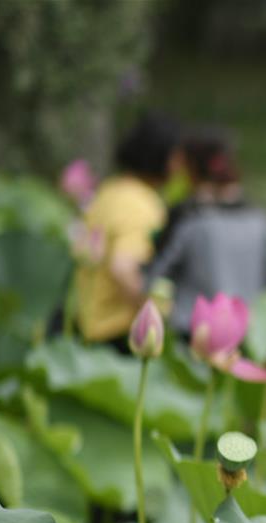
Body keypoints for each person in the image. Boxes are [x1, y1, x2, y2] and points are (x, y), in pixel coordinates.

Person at [146, 127, 266, 338]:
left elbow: (155, 275)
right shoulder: (260, 218)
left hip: (193, 334)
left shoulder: (188, 218)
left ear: (190, 169)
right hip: (247, 332)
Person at [76, 112, 181, 349]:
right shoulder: (141, 205)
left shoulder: (109, 190)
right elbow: (123, 268)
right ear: (162, 156)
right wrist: (156, 317)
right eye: (177, 158)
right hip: (117, 333)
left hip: (85, 322)